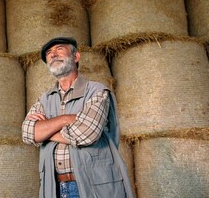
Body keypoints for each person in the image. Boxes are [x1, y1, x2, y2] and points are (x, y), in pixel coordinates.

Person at [22, 37, 134, 198]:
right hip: (55, 187)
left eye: (59, 49)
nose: (53, 54)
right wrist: (66, 119)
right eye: (49, 53)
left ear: (76, 57)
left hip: (92, 186)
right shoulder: (45, 99)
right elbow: (27, 134)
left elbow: (87, 134)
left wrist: (45, 133)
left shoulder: (97, 92)